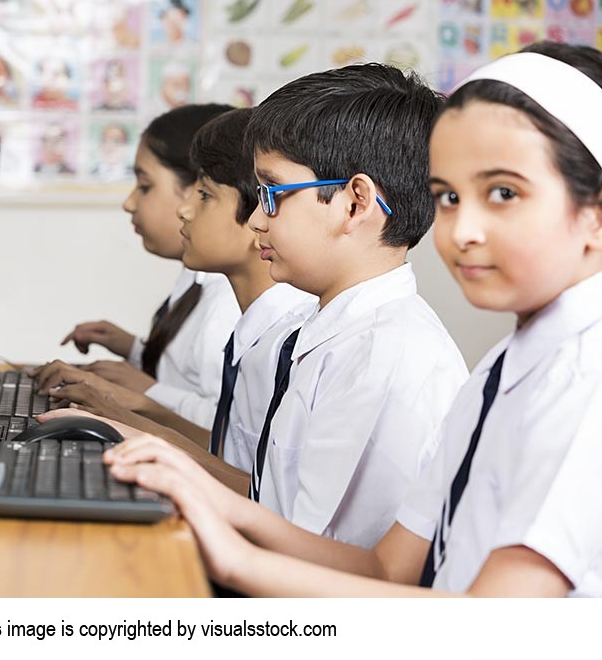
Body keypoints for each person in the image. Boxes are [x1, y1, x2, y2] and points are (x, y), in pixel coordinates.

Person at [100, 42, 602, 597]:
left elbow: (489, 629)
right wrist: (192, 486)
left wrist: (234, 558)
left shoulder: (582, 382)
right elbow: (386, 570)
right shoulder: (505, 367)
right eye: (451, 196)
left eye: (504, 193)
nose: (462, 231)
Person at [37, 109, 317, 479]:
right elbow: (230, 451)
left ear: (258, 218)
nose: (184, 210)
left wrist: (130, 412)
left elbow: (260, 491)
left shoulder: (282, 337)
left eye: (203, 194)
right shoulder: (256, 324)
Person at [35, 104, 239, 431]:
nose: (129, 203)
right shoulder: (197, 276)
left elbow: (229, 431)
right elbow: (185, 374)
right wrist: (133, 349)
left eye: (145, 186)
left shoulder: (228, 300)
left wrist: (144, 392)